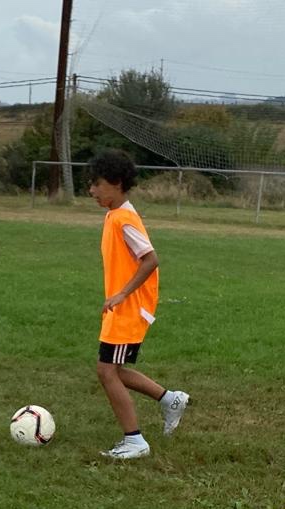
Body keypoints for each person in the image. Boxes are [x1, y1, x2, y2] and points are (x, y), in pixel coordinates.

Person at [87, 149, 189, 459]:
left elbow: (150, 259)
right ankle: (170, 400)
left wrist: (122, 294)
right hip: (122, 309)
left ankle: (134, 441)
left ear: (117, 183)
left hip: (128, 310)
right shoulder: (114, 215)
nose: (91, 190)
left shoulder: (124, 219)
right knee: (113, 370)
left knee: (106, 371)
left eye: (97, 184)